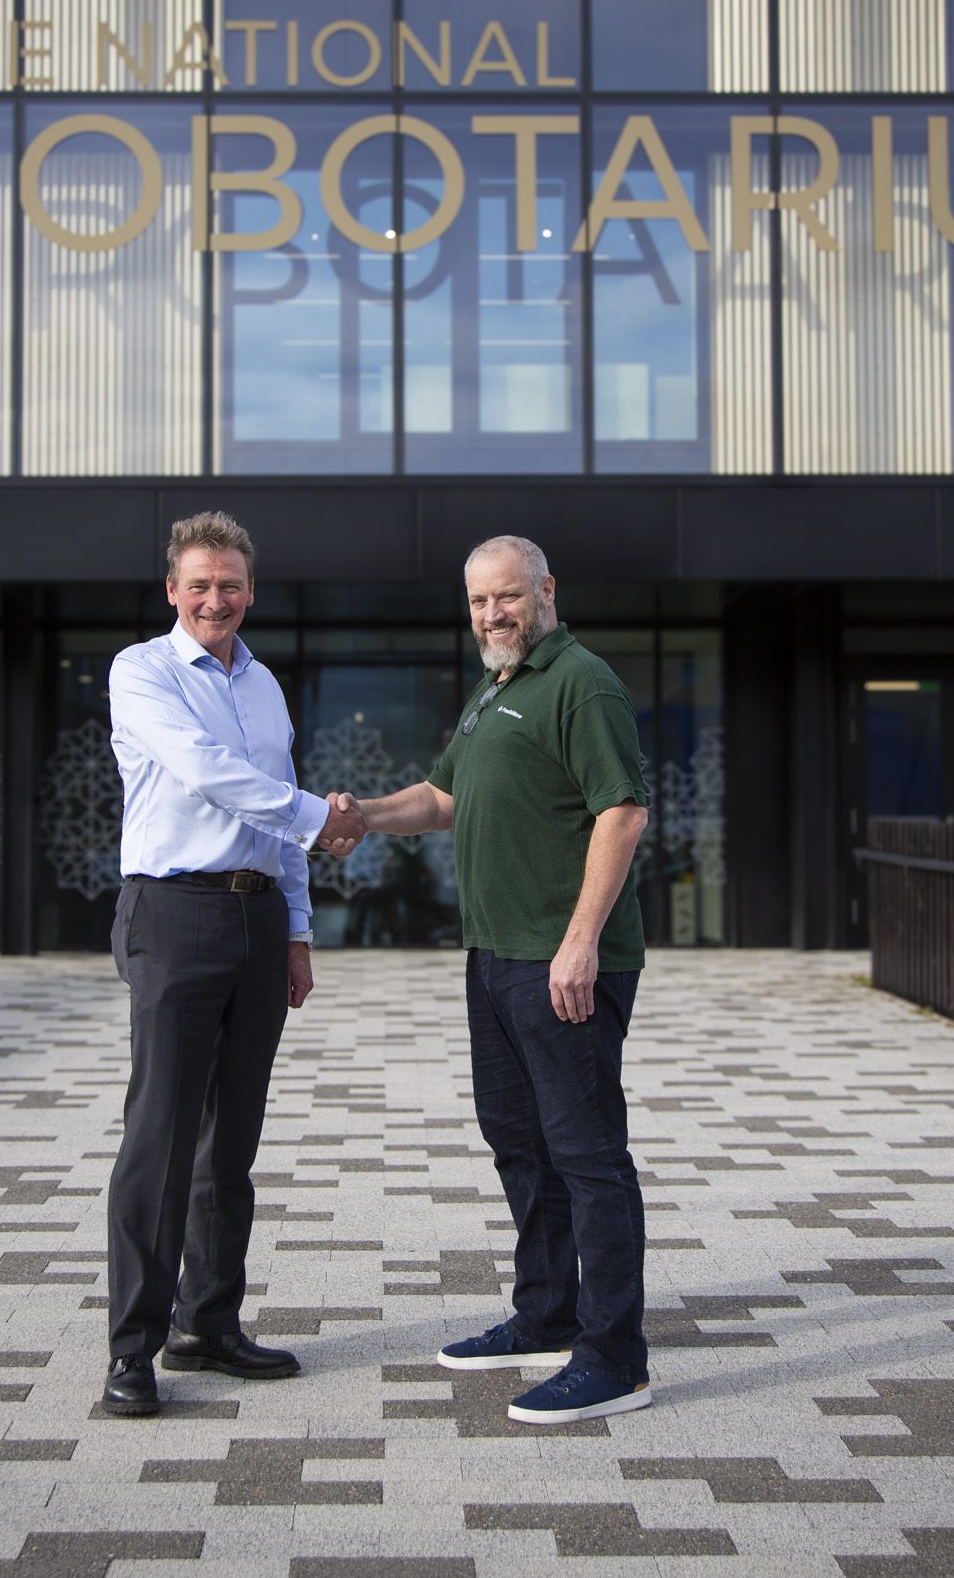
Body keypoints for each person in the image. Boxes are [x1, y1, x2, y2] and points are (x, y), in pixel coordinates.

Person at [344, 534, 653, 1425]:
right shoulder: (496, 688)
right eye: (479, 601)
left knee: (589, 1155)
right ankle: (548, 1311)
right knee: (520, 1142)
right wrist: (359, 815)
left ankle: (615, 1355)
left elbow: (622, 812)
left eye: (507, 597)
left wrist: (580, 940)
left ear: (546, 591)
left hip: (562, 963)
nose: (492, 614)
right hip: (495, 958)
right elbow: (442, 800)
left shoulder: (580, 682)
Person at [99, 510, 367, 1418]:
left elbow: (275, 823)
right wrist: (314, 813)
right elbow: (204, 769)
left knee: (232, 1141)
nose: (216, 598)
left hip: (256, 923)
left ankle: (206, 1323)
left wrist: (296, 931)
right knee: (161, 1136)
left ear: (250, 591)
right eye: (199, 583)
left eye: (231, 584)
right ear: (171, 589)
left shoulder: (265, 686)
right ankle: (132, 1351)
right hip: (172, 914)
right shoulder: (140, 672)